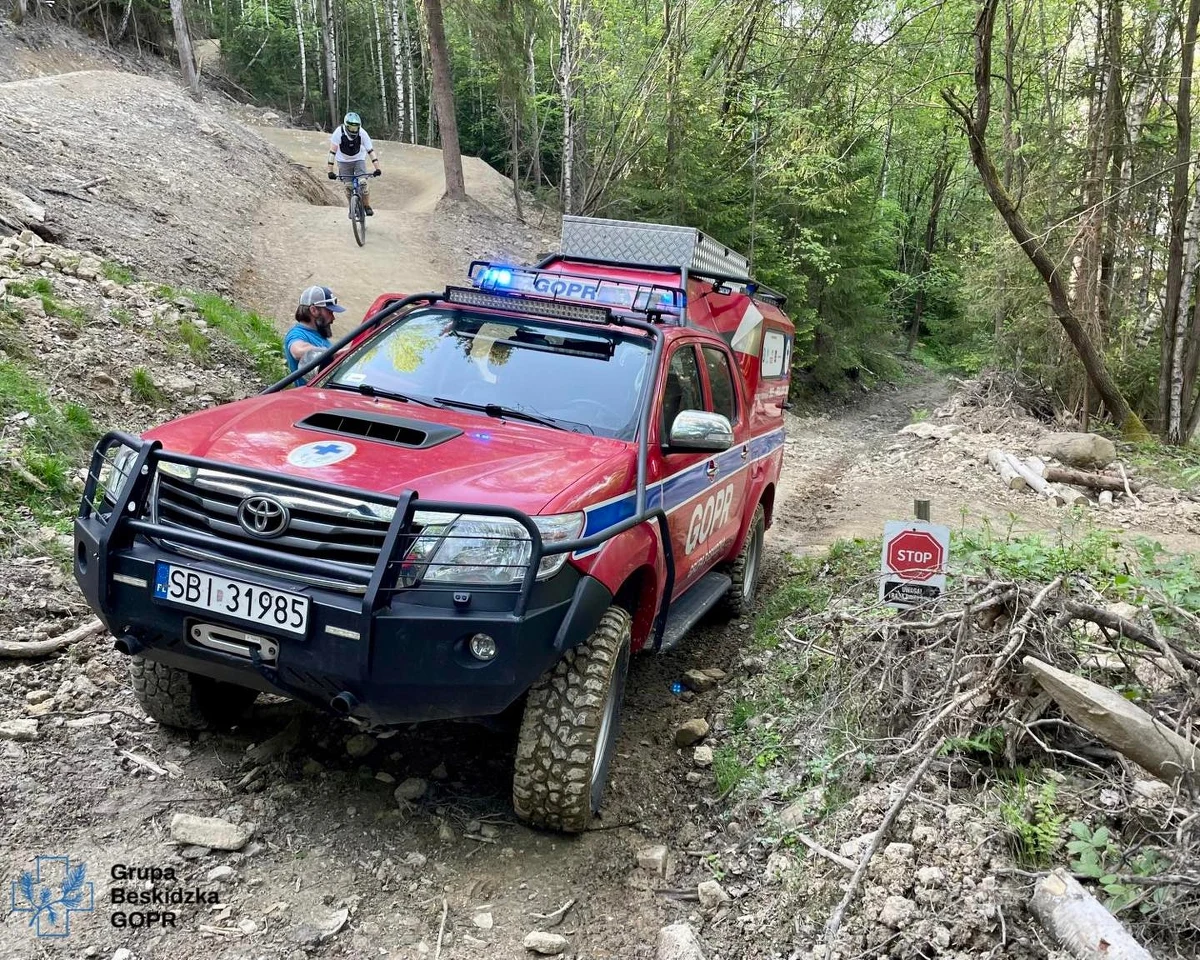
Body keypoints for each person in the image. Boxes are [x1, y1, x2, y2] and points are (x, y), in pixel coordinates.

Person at [285, 286, 344, 385]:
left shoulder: (318, 334)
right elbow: (298, 351)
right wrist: (333, 354)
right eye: (329, 312)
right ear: (313, 310)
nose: (333, 318)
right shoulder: (297, 334)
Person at [327, 112, 382, 216]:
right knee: (348, 187)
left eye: (355, 128)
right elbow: (332, 153)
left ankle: (367, 206)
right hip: (343, 161)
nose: (353, 130)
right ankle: (351, 207)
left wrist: (377, 168)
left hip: (358, 159)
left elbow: (370, 151)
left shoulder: (363, 133)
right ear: (346, 126)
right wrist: (330, 171)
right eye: (351, 128)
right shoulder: (338, 133)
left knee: (363, 183)